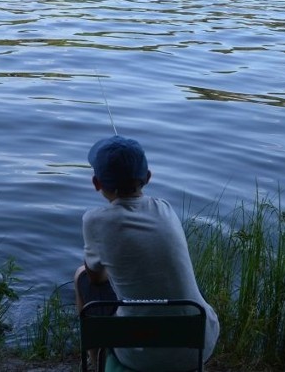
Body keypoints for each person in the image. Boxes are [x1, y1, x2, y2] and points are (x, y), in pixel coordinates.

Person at [74, 135, 220, 372]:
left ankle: (96, 363)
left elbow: (96, 279)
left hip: (140, 357)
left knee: (81, 275)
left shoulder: (94, 220)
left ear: (96, 183)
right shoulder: (165, 208)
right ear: (148, 177)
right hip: (199, 344)